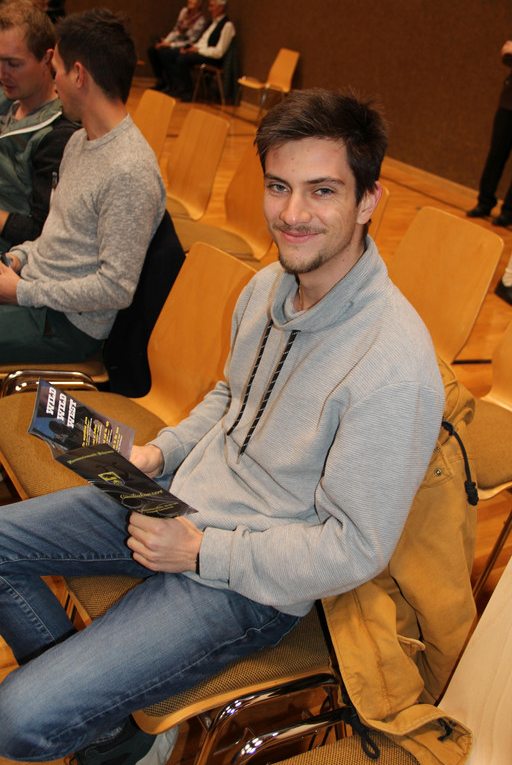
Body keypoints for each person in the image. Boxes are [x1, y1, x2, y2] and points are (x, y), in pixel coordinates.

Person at [0, 89, 445, 765]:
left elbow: (356, 549)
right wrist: (161, 452)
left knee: (16, 721)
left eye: (322, 191)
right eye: (278, 186)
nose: (292, 214)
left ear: (368, 201)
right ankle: (117, 734)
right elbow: (232, 396)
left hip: (249, 581)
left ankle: (103, 729)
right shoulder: (267, 287)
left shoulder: (394, 366)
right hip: (177, 498)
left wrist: (202, 552)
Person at [0, 8, 166, 364]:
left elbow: (115, 289)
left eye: (57, 69)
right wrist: (18, 258)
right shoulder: (79, 141)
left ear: (78, 75)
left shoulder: (129, 170)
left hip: (65, 326)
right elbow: (56, 235)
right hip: (35, 292)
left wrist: (23, 292)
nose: (54, 82)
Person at [0, 0, 76, 254]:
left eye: (14, 63)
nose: (3, 73)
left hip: (15, 259)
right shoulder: (8, 104)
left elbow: (42, 233)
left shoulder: (57, 134)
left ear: (47, 59)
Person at [467, 39, 512, 227]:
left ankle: (509, 212)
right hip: (508, 105)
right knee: (496, 154)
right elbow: (507, 53)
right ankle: (485, 202)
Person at [170, 0, 235, 100]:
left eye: (212, 6)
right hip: (201, 52)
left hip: (213, 59)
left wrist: (198, 51)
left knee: (182, 60)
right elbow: (202, 42)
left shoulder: (227, 25)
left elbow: (219, 52)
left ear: (221, 8)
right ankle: (174, 87)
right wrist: (192, 48)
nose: (209, 9)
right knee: (172, 53)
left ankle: (188, 92)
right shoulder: (212, 23)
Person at [147, 0, 206, 93]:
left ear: (199, 4)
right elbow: (176, 30)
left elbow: (190, 41)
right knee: (153, 50)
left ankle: (176, 84)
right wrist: (165, 42)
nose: (190, 0)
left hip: (184, 47)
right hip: (174, 43)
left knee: (165, 54)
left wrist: (170, 45)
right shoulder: (184, 12)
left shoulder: (200, 21)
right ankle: (162, 81)